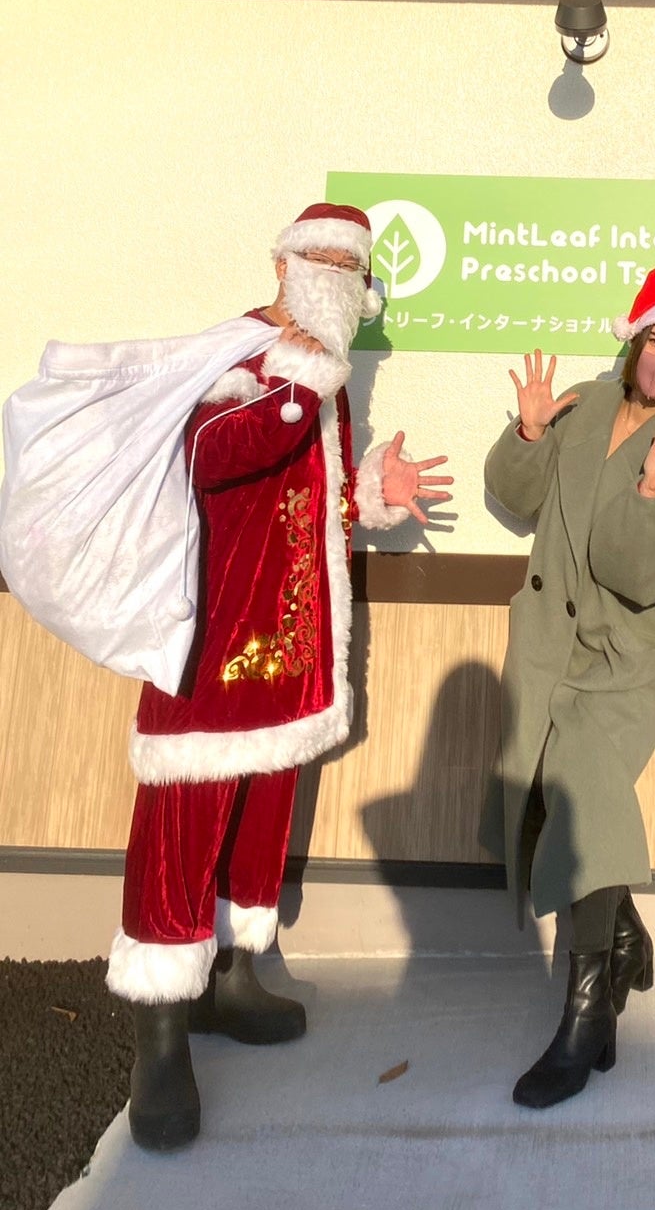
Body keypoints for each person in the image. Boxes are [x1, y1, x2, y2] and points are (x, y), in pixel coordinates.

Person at [105, 203, 452, 1149]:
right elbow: (206, 457)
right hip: (210, 647)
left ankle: (227, 978)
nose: (336, 272)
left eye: (351, 263)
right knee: (183, 824)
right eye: (321, 257)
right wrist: (297, 386)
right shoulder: (239, 355)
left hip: (289, 651)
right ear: (283, 264)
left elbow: (302, 498)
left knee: (260, 817)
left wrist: (366, 493)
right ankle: (160, 1031)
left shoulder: (323, 374)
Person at [482, 266, 655, 1108]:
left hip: (621, 660)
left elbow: (639, 574)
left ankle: (585, 1017)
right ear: (633, 344)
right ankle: (621, 941)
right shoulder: (582, 405)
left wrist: (652, 490)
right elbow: (515, 497)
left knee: (584, 803)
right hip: (549, 643)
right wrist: (528, 431)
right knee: (540, 800)